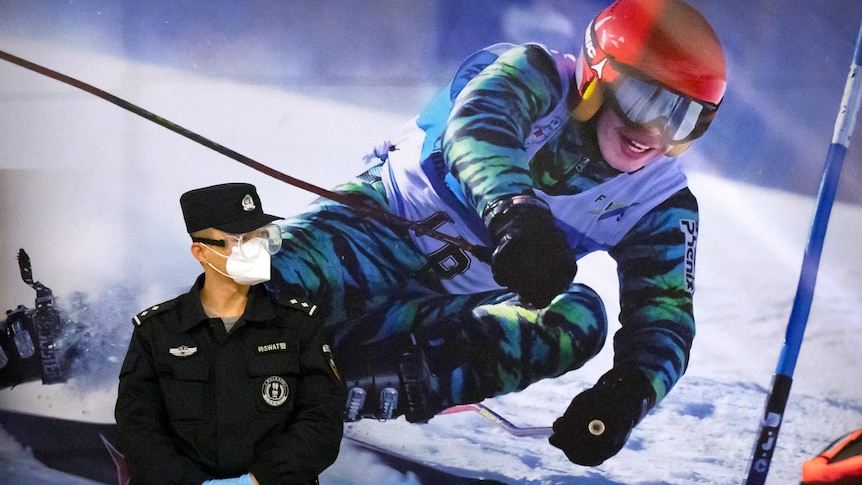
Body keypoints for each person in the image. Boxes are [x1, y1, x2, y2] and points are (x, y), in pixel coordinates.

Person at [266, 0, 725, 467]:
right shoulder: (535, 75)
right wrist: (515, 212)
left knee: (580, 316)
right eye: (645, 101)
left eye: (683, 118)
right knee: (255, 282)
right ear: (597, 75)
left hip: (431, 315)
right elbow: (478, 127)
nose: (654, 133)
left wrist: (628, 396)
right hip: (355, 244)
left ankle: (351, 386)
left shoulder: (659, 201)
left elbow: (665, 316)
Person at [115, 183, 344, 485]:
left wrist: (256, 481)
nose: (258, 247)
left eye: (262, 236)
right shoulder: (158, 332)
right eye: (242, 239)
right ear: (202, 251)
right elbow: (139, 427)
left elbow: (321, 420)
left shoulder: (298, 326)